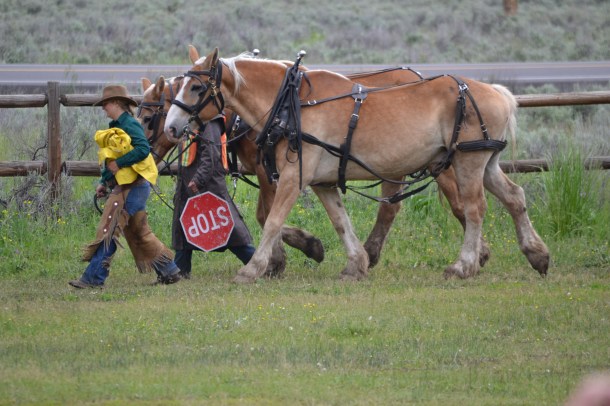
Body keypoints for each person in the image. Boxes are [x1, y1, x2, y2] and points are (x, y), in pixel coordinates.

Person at [69, 85, 182, 288]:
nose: (104, 108)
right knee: (140, 233)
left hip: (134, 187)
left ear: (116, 103)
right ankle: (169, 270)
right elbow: (113, 159)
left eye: (106, 104)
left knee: (110, 229)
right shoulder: (118, 126)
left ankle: (93, 279)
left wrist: (119, 164)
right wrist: (104, 181)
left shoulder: (129, 124)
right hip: (129, 186)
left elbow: (143, 150)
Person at [172, 114, 255, 279]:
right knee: (185, 225)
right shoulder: (193, 120)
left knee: (229, 231)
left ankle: (257, 262)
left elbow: (211, 154)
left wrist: (198, 179)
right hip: (191, 185)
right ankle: (180, 270)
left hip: (207, 186)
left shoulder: (211, 122)